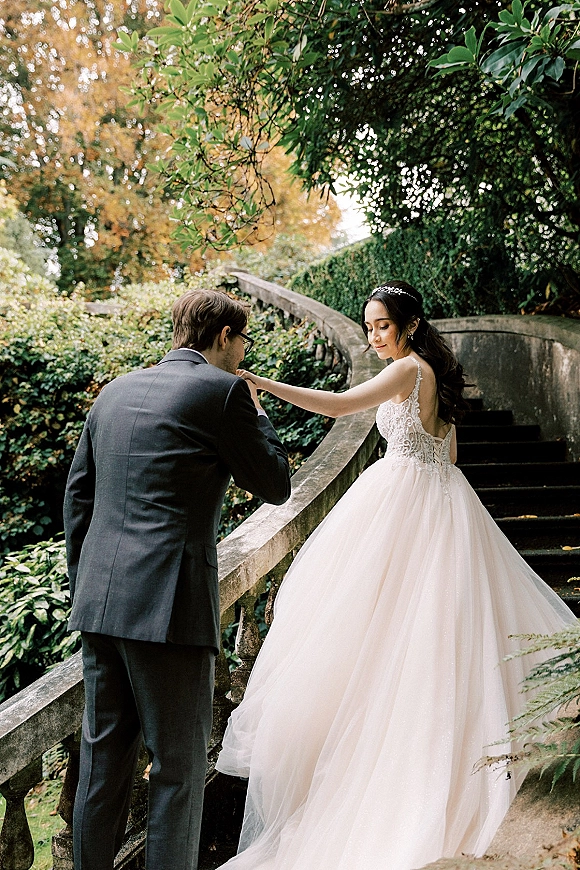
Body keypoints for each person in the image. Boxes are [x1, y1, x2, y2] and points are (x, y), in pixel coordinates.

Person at [215, 280, 576, 870]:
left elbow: (338, 405)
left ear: (407, 326)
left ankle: (407, 767)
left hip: (407, 498)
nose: (372, 335)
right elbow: (450, 454)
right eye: (368, 326)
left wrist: (262, 385)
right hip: (434, 495)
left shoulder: (407, 370)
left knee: (394, 629)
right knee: (408, 633)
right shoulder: (428, 371)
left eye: (381, 325)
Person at [63, 289, 291, 870]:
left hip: (100, 604)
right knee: (177, 770)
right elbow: (275, 485)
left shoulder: (112, 393)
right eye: (243, 341)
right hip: (169, 606)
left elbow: (78, 500)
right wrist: (261, 418)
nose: (244, 353)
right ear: (222, 337)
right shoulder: (224, 392)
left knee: (101, 763)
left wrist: (89, 585)